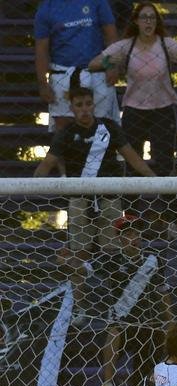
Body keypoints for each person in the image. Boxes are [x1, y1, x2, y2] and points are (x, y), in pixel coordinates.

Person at [33, 87, 156, 263]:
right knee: (78, 256)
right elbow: (46, 164)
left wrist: (156, 180)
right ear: (72, 108)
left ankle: (112, 290)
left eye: (88, 104)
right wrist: (29, 184)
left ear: (93, 105)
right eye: (79, 105)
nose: (84, 109)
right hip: (79, 197)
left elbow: (133, 158)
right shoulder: (66, 133)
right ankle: (79, 291)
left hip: (109, 197)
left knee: (112, 255)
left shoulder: (109, 127)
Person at [89, 3, 177, 178]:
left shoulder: (166, 45)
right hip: (135, 110)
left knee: (164, 161)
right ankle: (133, 204)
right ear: (136, 21)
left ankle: (168, 202)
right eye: (144, 17)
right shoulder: (127, 46)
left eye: (152, 17)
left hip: (163, 109)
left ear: (157, 22)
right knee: (133, 162)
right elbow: (94, 63)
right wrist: (112, 63)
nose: (148, 22)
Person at [95, 214, 173, 386]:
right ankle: (108, 383)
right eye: (129, 233)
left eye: (136, 233)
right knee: (114, 331)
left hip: (147, 320)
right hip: (123, 320)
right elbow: (84, 270)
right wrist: (71, 263)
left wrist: (170, 319)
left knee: (151, 351)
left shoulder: (153, 260)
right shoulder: (110, 260)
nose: (134, 237)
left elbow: (163, 291)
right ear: (120, 237)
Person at [35, 0, 120, 132]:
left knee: (104, 126)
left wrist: (112, 65)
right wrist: (42, 82)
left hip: (96, 73)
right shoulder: (47, 7)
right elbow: (41, 48)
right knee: (64, 129)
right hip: (62, 74)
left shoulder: (97, 2)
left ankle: (104, 153)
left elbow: (111, 35)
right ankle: (65, 152)